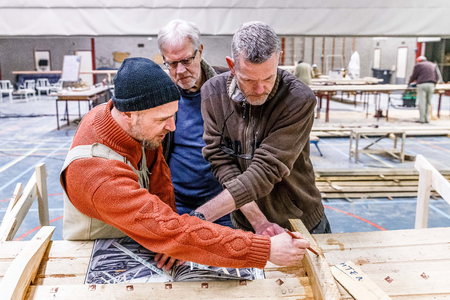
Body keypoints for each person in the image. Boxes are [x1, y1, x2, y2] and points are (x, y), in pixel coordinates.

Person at [60, 57, 310, 271]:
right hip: (92, 254)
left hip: (135, 240)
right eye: (163, 119)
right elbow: (168, 229)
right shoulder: (95, 173)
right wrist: (264, 250)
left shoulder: (130, 125)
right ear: (128, 115)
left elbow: (159, 182)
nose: (172, 127)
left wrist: (170, 238)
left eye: (173, 115)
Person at [194, 21, 330, 236]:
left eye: (268, 77)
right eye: (248, 79)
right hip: (246, 223)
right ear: (232, 65)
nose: (259, 90)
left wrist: (199, 218)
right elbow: (220, 159)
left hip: (300, 222)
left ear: (279, 59)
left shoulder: (298, 99)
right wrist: (257, 221)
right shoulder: (213, 94)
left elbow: (266, 169)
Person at [158, 20, 232, 227]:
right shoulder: (161, 95)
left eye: (186, 61)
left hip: (223, 205)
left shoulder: (229, 89)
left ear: (199, 52)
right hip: (176, 205)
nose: (180, 70)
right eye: (172, 63)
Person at [408, 56, 439, 124]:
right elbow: (437, 76)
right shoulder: (433, 65)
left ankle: (422, 120)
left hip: (422, 84)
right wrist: (435, 84)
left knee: (422, 102)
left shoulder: (418, 65)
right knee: (428, 102)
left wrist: (409, 83)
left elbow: (414, 75)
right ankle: (427, 119)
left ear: (419, 60)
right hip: (431, 85)